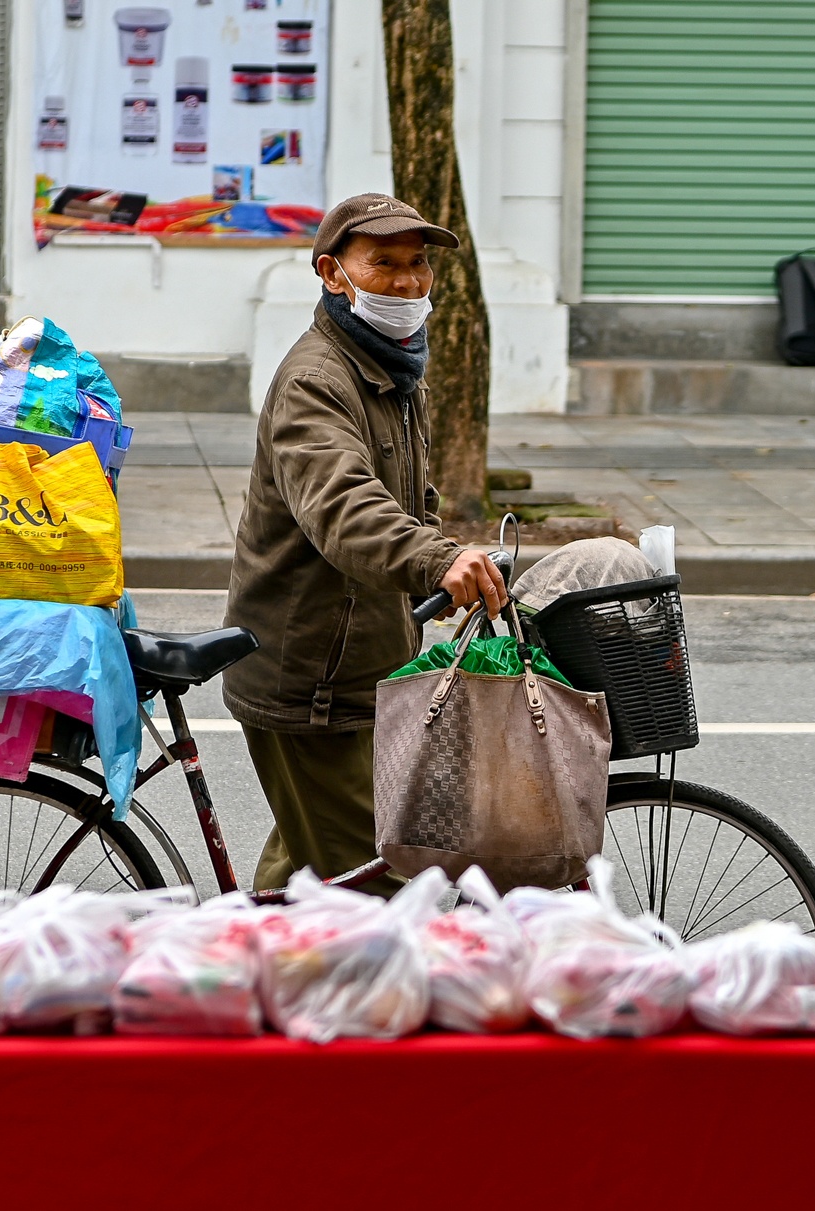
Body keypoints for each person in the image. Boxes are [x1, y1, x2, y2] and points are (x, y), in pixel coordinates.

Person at [222, 193, 508, 895]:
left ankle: (250, 976)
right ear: (331, 272)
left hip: (360, 669)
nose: (408, 282)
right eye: (383, 263)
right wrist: (439, 560)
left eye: (418, 264)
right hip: (311, 681)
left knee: (305, 877)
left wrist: (442, 561)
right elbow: (346, 510)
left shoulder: (394, 371)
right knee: (387, 894)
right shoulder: (318, 381)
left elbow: (410, 498)